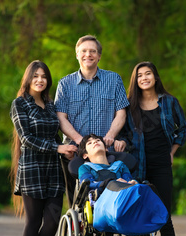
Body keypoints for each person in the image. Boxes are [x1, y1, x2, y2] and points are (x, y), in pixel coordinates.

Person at [10, 60, 77, 236]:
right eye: (36, 76)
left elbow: (53, 134)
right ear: (28, 79)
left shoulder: (50, 106)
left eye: (44, 77)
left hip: (52, 169)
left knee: (52, 222)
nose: (40, 80)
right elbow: (27, 139)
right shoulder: (20, 104)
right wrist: (57, 147)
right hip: (31, 169)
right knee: (34, 220)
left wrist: (64, 151)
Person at [124, 61, 186, 236]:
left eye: (148, 74)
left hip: (161, 165)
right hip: (138, 165)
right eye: (140, 75)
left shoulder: (169, 102)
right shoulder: (129, 106)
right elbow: (123, 134)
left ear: (155, 77)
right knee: (138, 215)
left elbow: (183, 129)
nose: (144, 78)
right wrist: (122, 143)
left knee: (164, 217)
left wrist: (172, 151)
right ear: (136, 80)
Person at [55, 35, 130, 207]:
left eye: (92, 51)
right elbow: (61, 117)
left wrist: (111, 135)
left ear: (99, 56)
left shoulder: (114, 80)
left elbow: (121, 113)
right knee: (77, 201)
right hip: (74, 153)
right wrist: (79, 140)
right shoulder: (65, 84)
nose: (88, 55)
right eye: (84, 51)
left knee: (112, 195)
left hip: (106, 152)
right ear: (77, 54)